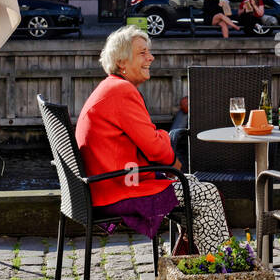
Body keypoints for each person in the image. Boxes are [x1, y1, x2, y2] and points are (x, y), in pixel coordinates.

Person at [75, 25, 229, 252]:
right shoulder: (122, 91)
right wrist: (166, 143)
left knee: (192, 184)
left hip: (106, 186)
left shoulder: (110, 87)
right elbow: (157, 150)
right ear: (122, 62)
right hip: (119, 190)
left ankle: (188, 263)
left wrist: (162, 145)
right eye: (142, 53)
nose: (151, 57)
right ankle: (219, 269)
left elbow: (149, 143)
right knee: (207, 194)